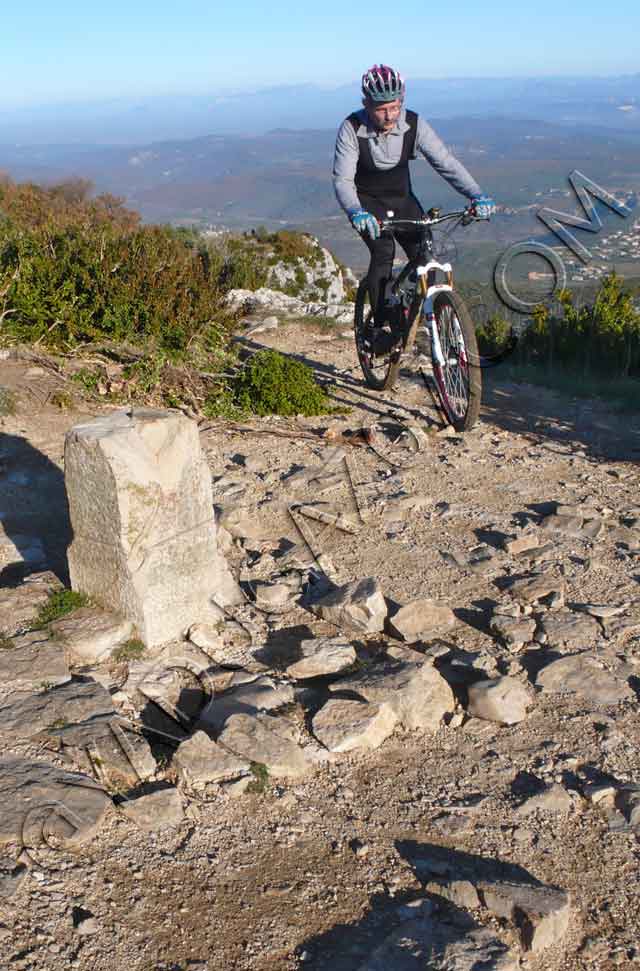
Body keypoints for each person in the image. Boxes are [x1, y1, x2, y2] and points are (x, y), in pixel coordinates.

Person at [333, 64, 496, 323]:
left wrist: (476, 195)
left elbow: (445, 162)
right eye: (381, 109)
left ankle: (412, 315)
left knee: (425, 253)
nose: (389, 116)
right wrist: (356, 212)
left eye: (395, 107)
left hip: (402, 199)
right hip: (367, 205)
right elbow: (342, 179)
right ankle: (382, 325)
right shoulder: (352, 128)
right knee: (383, 251)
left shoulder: (414, 124)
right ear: (366, 104)